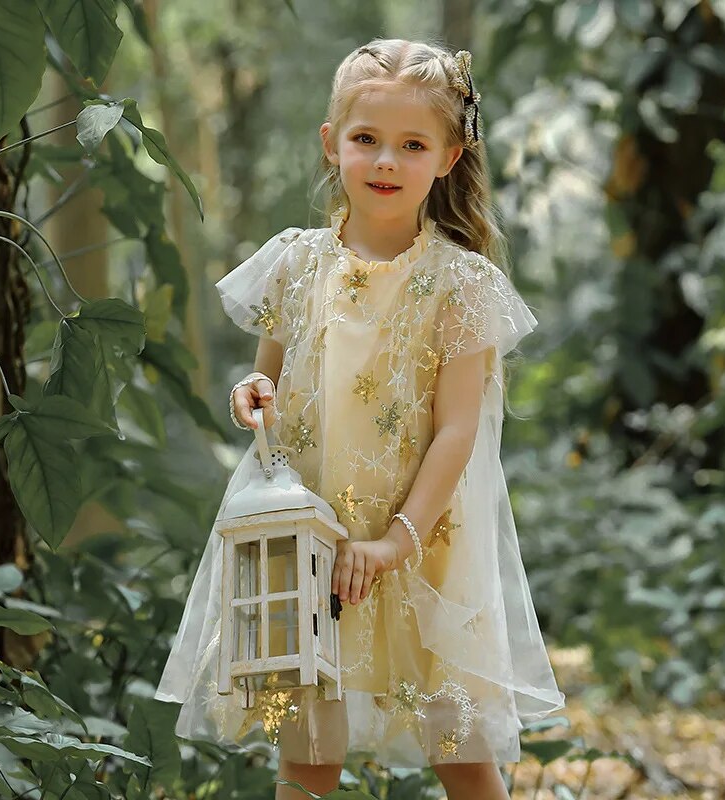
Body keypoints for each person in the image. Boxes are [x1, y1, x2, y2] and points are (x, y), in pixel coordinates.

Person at [155, 37, 565, 800]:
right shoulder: (295, 264)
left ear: (447, 157)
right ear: (331, 144)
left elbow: (457, 432)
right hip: (308, 539)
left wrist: (394, 542)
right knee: (308, 752)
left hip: (418, 543)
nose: (385, 161)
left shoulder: (459, 285)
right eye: (366, 139)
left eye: (412, 144)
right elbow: (269, 375)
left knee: (461, 749)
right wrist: (252, 391)